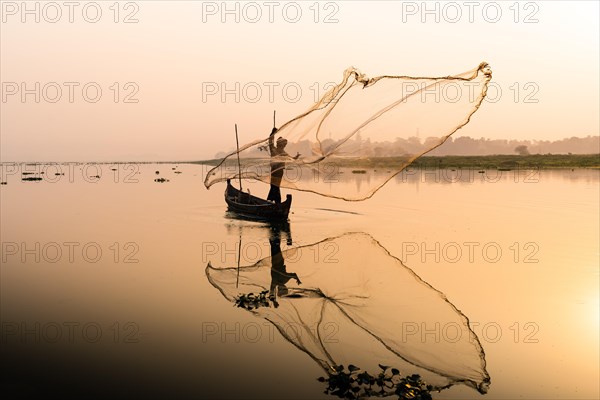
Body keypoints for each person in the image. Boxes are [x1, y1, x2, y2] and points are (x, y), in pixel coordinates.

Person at [266, 127, 300, 203]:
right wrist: (273, 133)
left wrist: (296, 157)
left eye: (284, 145)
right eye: (283, 144)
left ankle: (271, 200)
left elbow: (291, 158)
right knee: (274, 186)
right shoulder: (273, 149)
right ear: (279, 144)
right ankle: (275, 201)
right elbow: (270, 141)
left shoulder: (283, 152)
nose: (284, 146)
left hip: (280, 172)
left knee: (275, 186)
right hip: (274, 171)